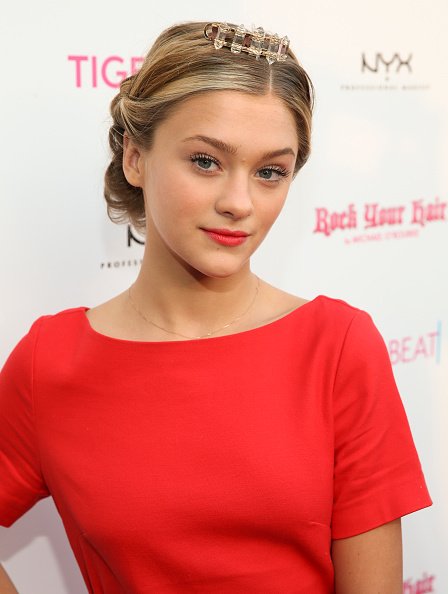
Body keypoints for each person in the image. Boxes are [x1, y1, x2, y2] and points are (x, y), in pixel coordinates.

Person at [0, 20, 432, 594]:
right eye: (206, 161)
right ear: (135, 157)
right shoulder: (51, 362)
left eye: (270, 172)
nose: (238, 202)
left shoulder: (337, 348)